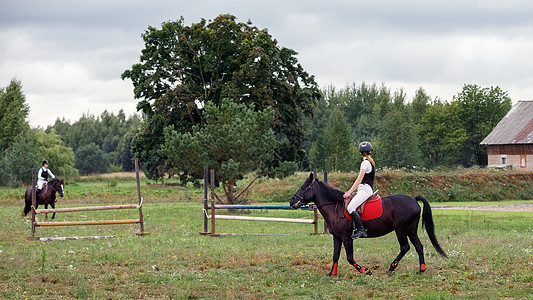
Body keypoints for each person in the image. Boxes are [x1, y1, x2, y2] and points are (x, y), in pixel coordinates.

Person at [343, 141, 375, 239]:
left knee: (350, 208)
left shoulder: (365, 163)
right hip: (365, 189)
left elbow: (359, 180)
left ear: (360, 153)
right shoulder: (370, 161)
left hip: (365, 190)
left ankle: (362, 231)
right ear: (370, 151)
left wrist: (349, 192)